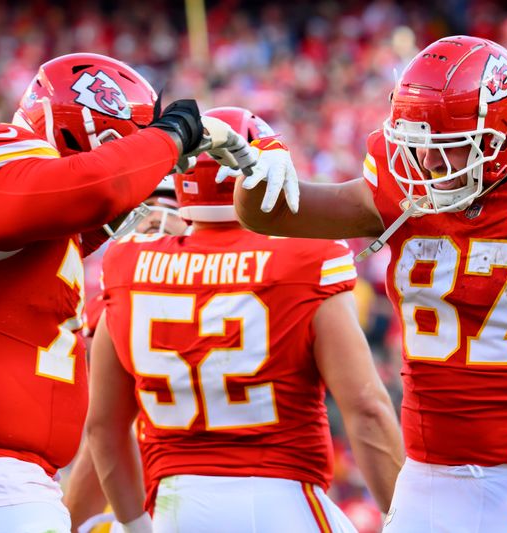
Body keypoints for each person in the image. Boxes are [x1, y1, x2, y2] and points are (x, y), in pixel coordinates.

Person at [234, 35, 507, 532]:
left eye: (444, 149)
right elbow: (271, 213)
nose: (425, 165)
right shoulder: (401, 191)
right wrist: (257, 162)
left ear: (497, 139)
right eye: (418, 145)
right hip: (427, 480)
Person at [0, 52, 263, 532]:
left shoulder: (20, 217)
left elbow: (83, 213)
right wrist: (168, 137)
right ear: (87, 132)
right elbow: (94, 189)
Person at [85, 106, 404, 533]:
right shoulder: (306, 258)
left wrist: (136, 525)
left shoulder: (127, 265)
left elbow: (103, 427)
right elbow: (366, 409)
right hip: (281, 501)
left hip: (175, 508)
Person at [63, 175, 189, 533]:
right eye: (145, 212)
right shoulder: (256, 281)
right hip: (253, 484)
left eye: (166, 209)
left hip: (159, 498)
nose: (154, 221)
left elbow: (105, 433)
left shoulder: (118, 299)